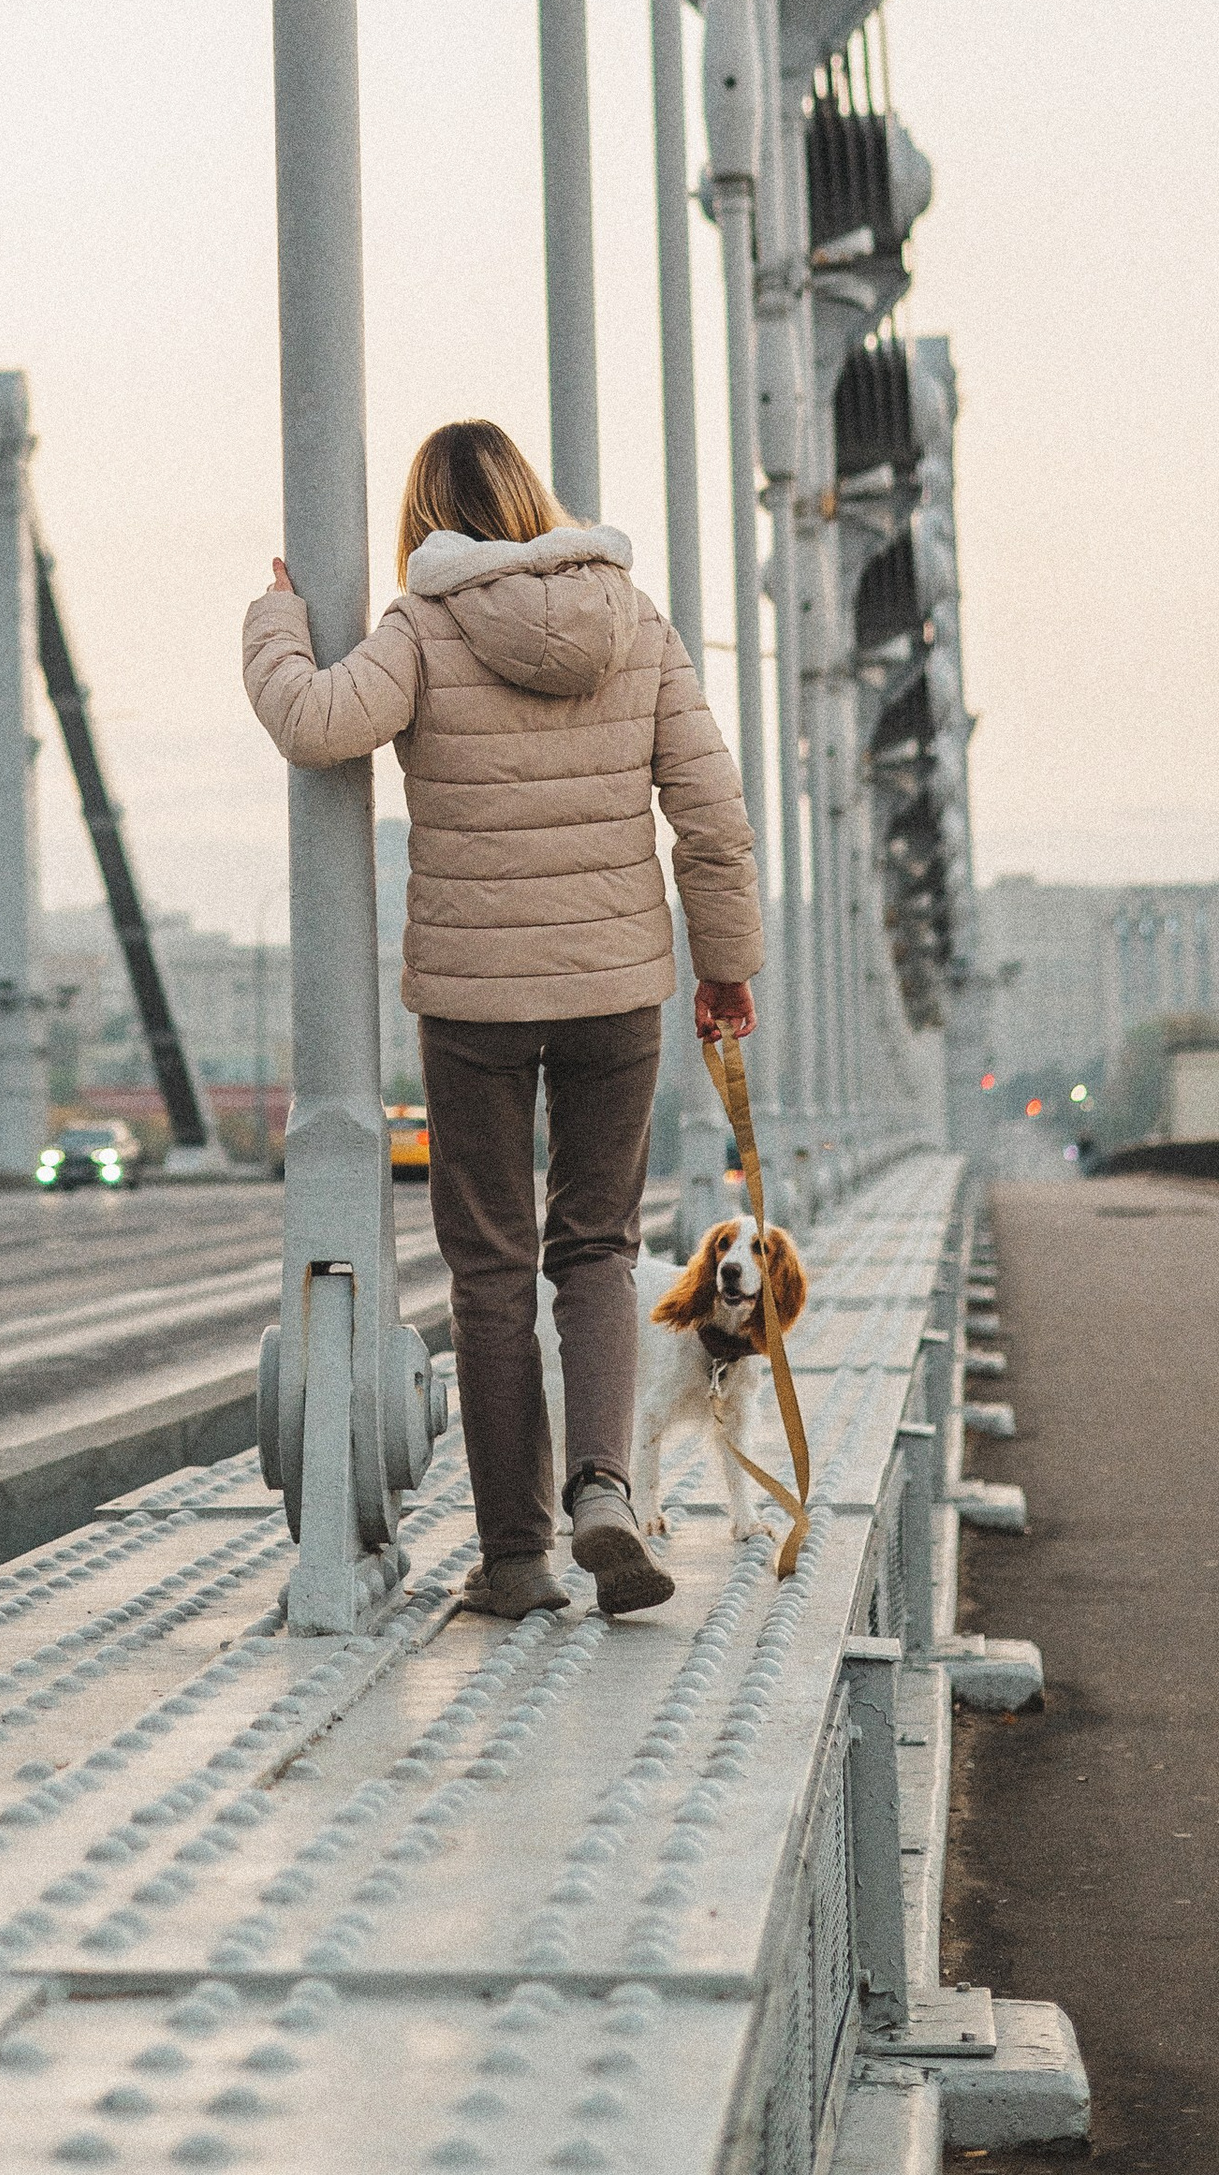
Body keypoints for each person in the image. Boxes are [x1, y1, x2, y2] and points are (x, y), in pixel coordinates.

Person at [243, 417, 760, 1619]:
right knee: (597, 1247)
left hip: (475, 1001)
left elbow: (316, 723)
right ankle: (602, 1489)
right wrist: (725, 966)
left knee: (490, 1272)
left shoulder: (420, 627)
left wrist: (275, 618)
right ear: (537, 495)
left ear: (423, 519)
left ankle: (518, 1557)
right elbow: (712, 814)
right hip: (616, 990)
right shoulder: (633, 619)